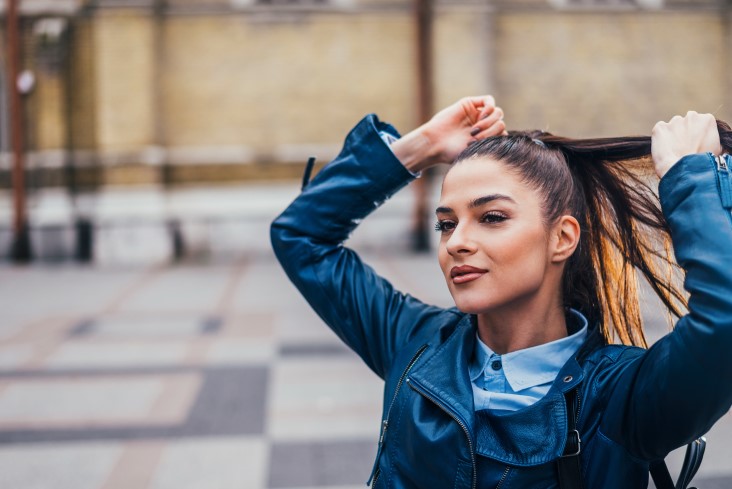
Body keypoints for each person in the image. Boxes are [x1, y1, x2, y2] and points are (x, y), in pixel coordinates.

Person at [270, 95, 732, 488]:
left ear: (562, 238)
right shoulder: (416, 345)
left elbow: (724, 321)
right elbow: (301, 237)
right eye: (446, 223)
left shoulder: (620, 397)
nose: (457, 242)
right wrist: (421, 147)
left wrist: (692, 180)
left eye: (491, 217)